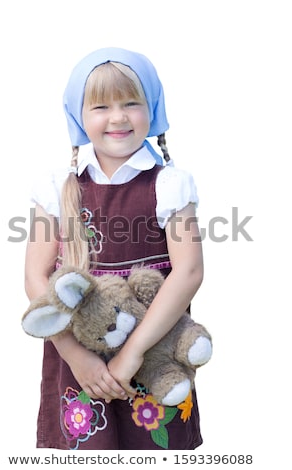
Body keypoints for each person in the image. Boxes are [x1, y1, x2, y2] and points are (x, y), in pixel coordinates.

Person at [24, 47, 205, 450]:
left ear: (152, 108)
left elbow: (189, 272)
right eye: (101, 106)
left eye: (131, 103)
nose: (118, 116)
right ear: (79, 117)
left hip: (156, 348)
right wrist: (75, 356)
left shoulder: (170, 185)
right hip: (80, 357)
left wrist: (134, 352)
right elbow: (36, 279)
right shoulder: (55, 188)